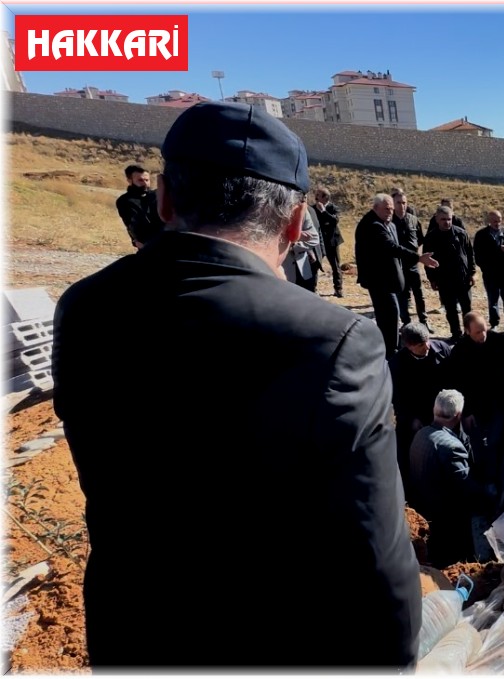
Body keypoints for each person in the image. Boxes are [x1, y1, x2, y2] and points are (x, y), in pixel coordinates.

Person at [51, 101, 422, 667]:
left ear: (165, 199)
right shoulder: (337, 340)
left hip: (135, 636)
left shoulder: (83, 308)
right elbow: (376, 554)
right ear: (296, 225)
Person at [408, 389, 498, 568]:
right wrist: (489, 492)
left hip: (426, 505)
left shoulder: (421, 434)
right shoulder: (451, 447)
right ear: (458, 415)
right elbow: (466, 486)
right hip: (448, 517)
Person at [449, 311, 504, 482]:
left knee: (496, 441)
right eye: (477, 332)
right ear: (467, 331)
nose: (482, 335)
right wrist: (466, 412)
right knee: (477, 445)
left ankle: (494, 478)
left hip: (498, 399)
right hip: (474, 405)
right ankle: (479, 478)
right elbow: (457, 384)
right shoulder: (460, 351)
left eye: (484, 330)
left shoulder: (498, 341)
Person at [356, 194, 438, 358]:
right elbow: (390, 246)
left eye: (392, 209)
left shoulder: (388, 223)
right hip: (378, 280)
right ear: (376, 208)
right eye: (386, 209)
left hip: (388, 278)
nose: (390, 212)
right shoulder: (372, 225)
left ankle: (389, 346)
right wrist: (418, 257)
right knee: (389, 314)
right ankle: (390, 350)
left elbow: (397, 248)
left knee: (390, 314)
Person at [390, 322, 453, 478]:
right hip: (415, 412)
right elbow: (396, 397)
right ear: (409, 346)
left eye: (427, 341)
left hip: (443, 408)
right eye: (421, 345)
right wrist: (411, 418)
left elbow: (455, 378)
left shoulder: (441, 349)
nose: (427, 347)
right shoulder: (397, 365)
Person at [424, 205, 476, 342]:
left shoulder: (461, 233)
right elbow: (427, 261)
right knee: (451, 309)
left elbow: (470, 254)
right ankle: (456, 333)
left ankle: (469, 334)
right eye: (443, 219)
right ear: (437, 219)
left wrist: (472, 272)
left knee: (467, 308)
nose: (446, 222)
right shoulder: (431, 237)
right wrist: (432, 279)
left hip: (462, 278)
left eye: (449, 219)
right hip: (444, 279)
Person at [473, 210, 504, 334]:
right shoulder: (481, 234)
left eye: (499, 220)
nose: (497, 223)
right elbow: (477, 254)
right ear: (489, 221)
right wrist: (485, 266)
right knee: (493, 301)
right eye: (494, 221)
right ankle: (495, 324)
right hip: (490, 273)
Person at [391, 191, 429, 327]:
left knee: (418, 293)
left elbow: (419, 239)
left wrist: (415, 254)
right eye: (398, 203)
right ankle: (406, 323)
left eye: (404, 203)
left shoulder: (413, 219)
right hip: (398, 264)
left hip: (413, 263)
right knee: (402, 294)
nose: (402, 206)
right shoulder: (389, 222)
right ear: (393, 204)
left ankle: (423, 321)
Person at [115, 163, 165, 250]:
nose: (145, 183)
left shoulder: (157, 195)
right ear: (130, 180)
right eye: (140, 180)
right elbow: (133, 225)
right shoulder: (124, 201)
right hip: (147, 245)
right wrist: (137, 241)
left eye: (147, 180)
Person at [283, 195, 323, 292]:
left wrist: (293, 246)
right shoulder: (271, 210)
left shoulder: (304, 212)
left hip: (303, 269)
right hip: (282, 271)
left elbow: (314, 238)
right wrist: (296, 235)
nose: (303, 200)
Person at [312, 187, 344, 297]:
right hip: (319, 242)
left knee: (335, 265)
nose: (316, 198)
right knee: (315, 264)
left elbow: (335, 221)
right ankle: (313, 288)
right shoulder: (312, 209)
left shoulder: (332, 208)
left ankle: (338, 289)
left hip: (331, 241)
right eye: (315, 195)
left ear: (325, 198)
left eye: (318, 196)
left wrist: (324, 211)